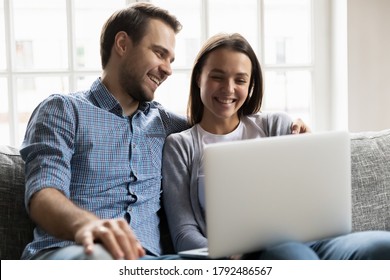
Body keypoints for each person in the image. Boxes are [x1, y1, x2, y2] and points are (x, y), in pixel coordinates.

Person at [20, 3, 309, 260]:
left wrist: (289, 130)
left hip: (151, 263)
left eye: (171, 59)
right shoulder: (64, 110)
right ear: (122, 44)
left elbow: (226, 123)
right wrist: (87, 225)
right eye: (160, 53)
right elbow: (43, 193)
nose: (168, 69)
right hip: (73, 251)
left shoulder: (171, 127)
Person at [162, 33, 390, 260]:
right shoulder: (180, 146)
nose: (228, 88)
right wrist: (228, 255)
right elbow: (184, 234)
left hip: (319, 242)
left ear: (250, 85)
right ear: (198, 78)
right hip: (253, 255)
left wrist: (310, 149)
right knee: (294, 256)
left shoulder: (275, 124)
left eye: (240, 80)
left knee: (382, 244)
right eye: (217, 77)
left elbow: (312, 192)